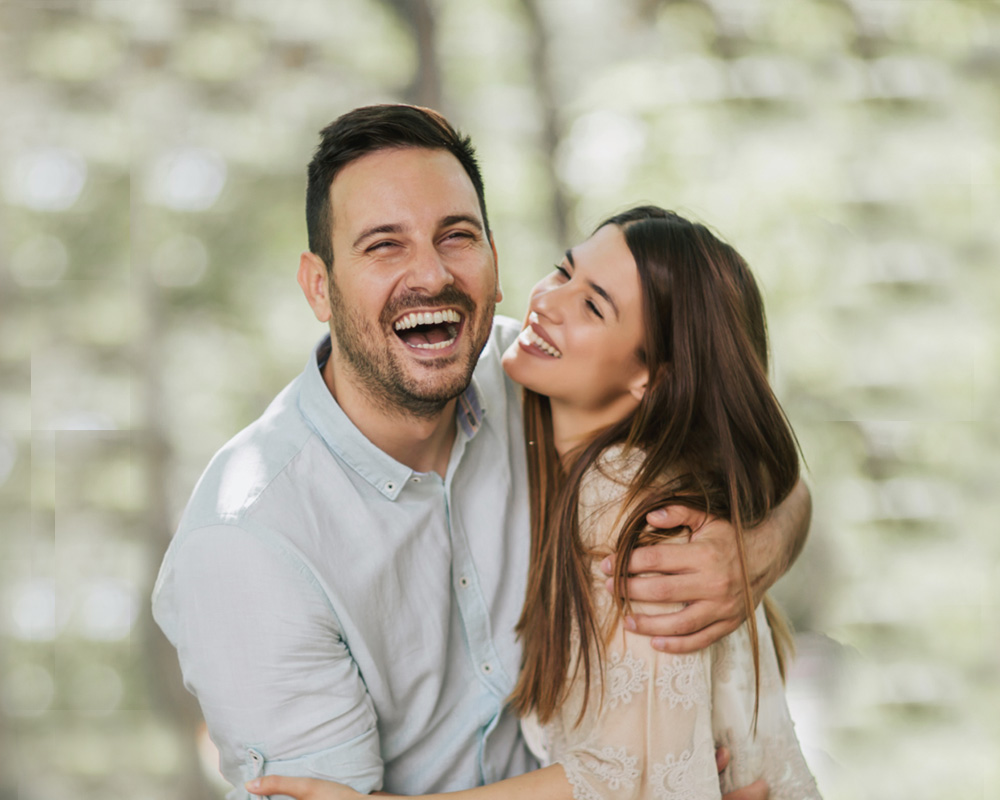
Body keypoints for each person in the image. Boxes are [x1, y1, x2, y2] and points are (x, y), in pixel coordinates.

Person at [152, 106, 811, 798]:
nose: (431, 274)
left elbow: (727, 428)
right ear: (320, 286)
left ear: (495, 260)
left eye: (456, 236)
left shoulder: (547, 386)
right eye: (384, 245)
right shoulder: (249, 544)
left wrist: (757, 545)